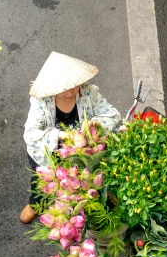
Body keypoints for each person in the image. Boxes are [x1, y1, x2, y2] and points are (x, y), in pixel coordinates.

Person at [21, 52, 122, 223]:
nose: (72, 91)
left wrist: (95, 124)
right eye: (65, 88)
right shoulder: (40, 101)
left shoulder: (88, 93)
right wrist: (62, 135)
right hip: (48, 152)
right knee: (39, 180)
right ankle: (35, 203)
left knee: (84, 180)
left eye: (74, 86)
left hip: (82, 151)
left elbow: (113, 115)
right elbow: (30, 134)